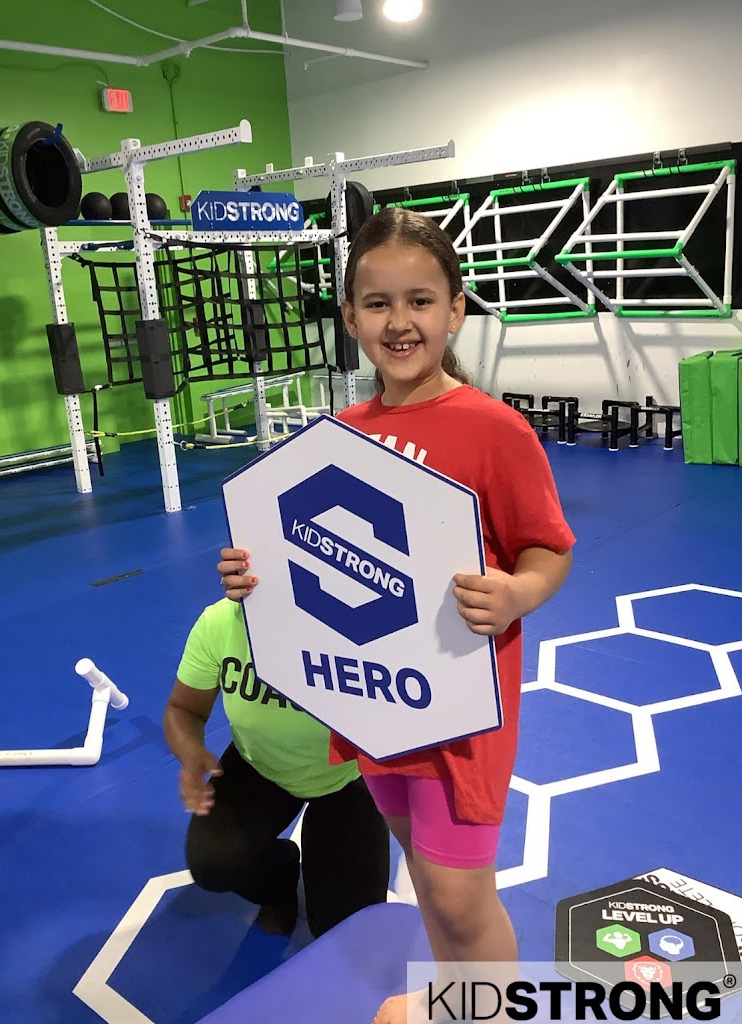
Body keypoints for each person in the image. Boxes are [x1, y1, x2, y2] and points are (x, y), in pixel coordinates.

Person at [218, 207, 575, 1024]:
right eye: (378, 303)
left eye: (420, 301)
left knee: (457, 894)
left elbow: (548, 549)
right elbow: (307, 553)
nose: (399, 321)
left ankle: (491, 1011)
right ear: (350, 318)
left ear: (456, 309)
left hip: (462, 713)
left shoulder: (493, 430)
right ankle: (457, 999)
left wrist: (517, 593)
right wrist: (253, 575)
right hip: (375, 702)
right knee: (424, 875)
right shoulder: (341, 434)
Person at [162, 593, 390, 940]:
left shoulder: (368, 628)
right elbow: (183, 709)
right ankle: (279, 879)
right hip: (259, 763)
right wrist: (191, 754)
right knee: (215, 863)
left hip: (349, 774)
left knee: (341, 928)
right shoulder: (223, 622)